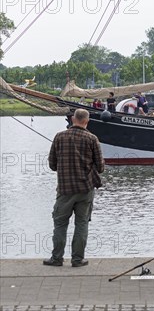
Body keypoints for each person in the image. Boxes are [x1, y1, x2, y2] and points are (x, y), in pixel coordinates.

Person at [44, 109, 104, 267]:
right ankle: (78, 259)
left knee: (60, 224)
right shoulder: (92, 138)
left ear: (72, 119)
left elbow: (52, 163)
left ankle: (56, 258)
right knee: (82, 223)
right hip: (85, 189)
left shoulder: (59, 137)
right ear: (87, 121)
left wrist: (64, 169)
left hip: (64, 190)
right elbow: (101, 167)